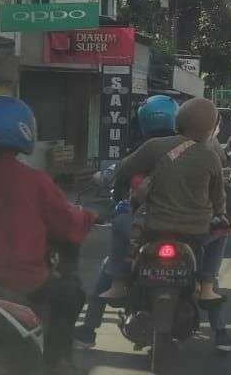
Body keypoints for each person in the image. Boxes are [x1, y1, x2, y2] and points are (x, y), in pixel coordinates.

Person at [0, 96, 97, 373]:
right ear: (24, 131)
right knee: (70, 293)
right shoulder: (36, 181)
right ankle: (57, 360)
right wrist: (90, 217)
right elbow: (66, 226)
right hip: (20, 282)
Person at [99, 97, 231, 351]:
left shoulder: (154, 147)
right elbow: (219, 201)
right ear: (210, 128)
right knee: (223, 232)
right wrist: (220, 216)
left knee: (121, 233)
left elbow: (122, 170)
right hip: (196, 234)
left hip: (153, 227)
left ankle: (115, 287)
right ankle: (207, 286)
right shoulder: (211, 156)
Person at [75, 95, 178, 350]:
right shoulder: (192, 148)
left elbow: (117, 177)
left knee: (108, 267)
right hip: (182, 226)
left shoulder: (141, 151)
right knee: (204, 270)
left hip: (140, 228)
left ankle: (89, 330)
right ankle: (217, 321)